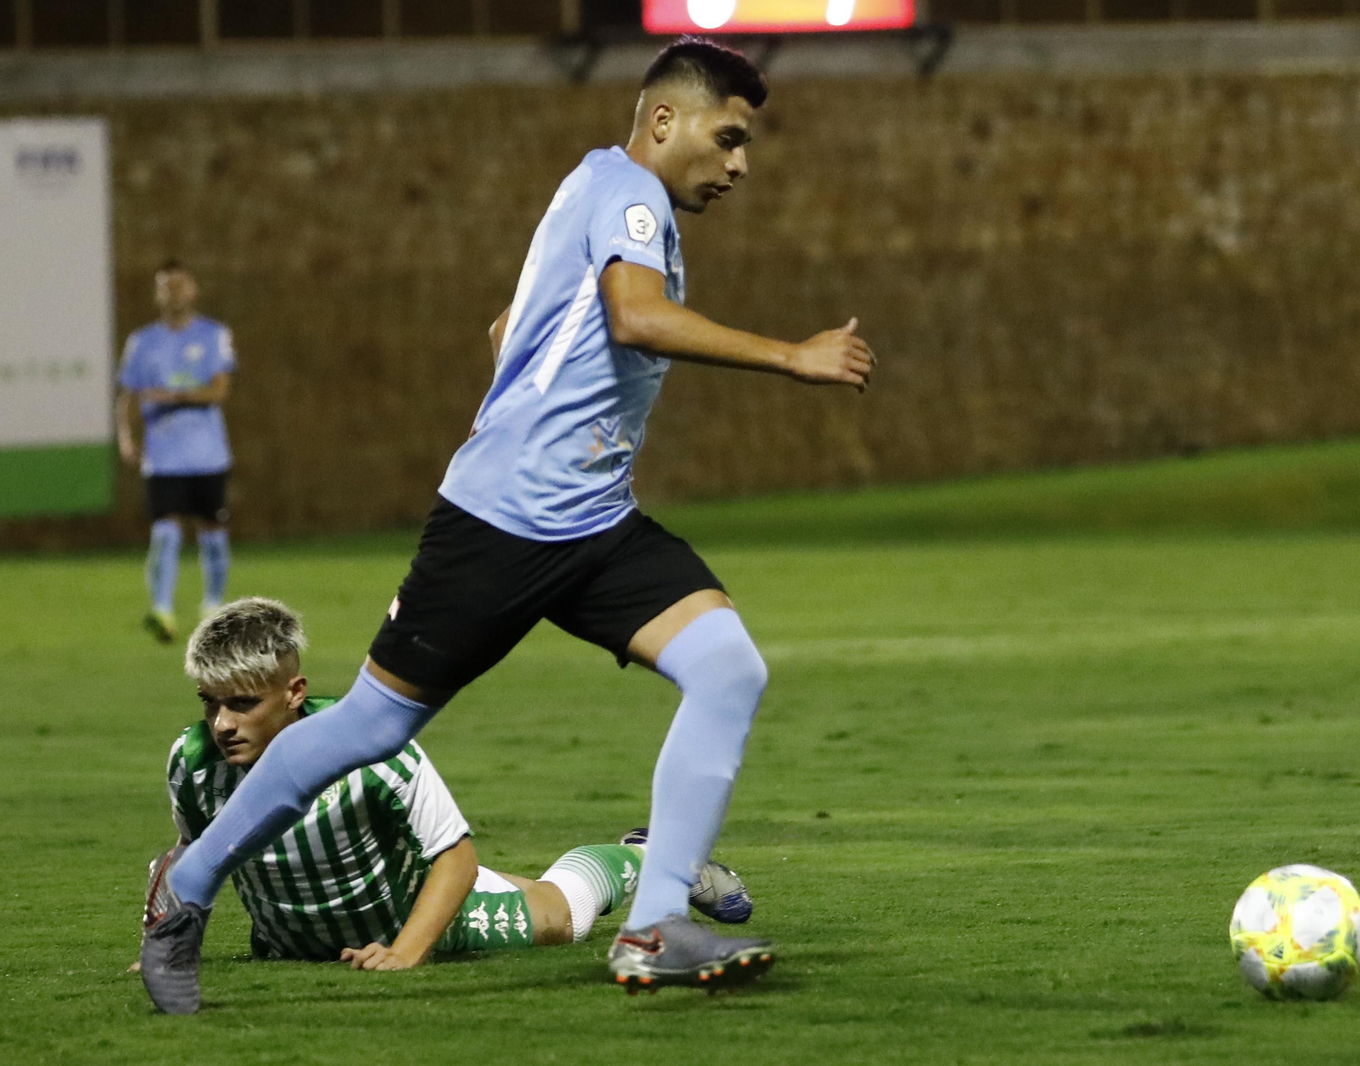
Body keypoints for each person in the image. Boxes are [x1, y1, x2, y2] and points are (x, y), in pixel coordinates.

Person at [141, 36, 875, 1012]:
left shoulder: (598, 191)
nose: (739, 164)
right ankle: (183, 892)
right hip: (501, 527)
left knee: (728, 666)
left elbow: (508, 329)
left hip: (594, 527)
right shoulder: (628, 194)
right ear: (665, 121)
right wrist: (794, 357)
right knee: (369, 725)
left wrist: (541, 404)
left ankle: (654, 925)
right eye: (729, 137)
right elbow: (634, 317)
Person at [139, 598, 752, 975]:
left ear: (294, 695)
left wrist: (407, 952)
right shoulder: (190, 762)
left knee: (563, 917)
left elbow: (456, 860)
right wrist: (167, 944)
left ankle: (653, 856)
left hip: (420, 911)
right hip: (302, 940)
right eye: (209, 705)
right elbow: (195, 859)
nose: (222, 724)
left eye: (242, 704)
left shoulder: (369, 748)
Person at [115, 259, 236, 643]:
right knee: (164, 530)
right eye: (165, 286)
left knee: (212, 529)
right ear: (156, 294)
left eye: (179, 285)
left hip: (207, 454)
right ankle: (162, 610)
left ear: (193, 290)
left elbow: (219, 390)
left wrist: (175, 394)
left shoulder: (213, 335)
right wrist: (126, 438)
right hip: (163, 456)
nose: (172, 292)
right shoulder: (143, 342)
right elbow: (129, 396)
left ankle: (213, 607)